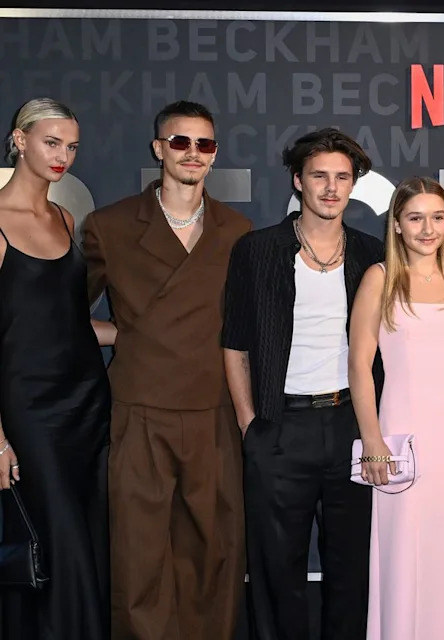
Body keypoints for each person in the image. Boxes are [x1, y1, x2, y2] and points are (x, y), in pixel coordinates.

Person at [83, 100, 251, 639]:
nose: (193, 154)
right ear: (159, 148)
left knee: (214, 554)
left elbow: (248, 330)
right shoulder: (109, 226)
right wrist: (129, 333)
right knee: (138, 557)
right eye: (180, 142)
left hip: (213, 411)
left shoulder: (237, 230)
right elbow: (64, 321)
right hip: (139, 410)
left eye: (205, 144)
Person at [222, 128, 384, 639]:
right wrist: (251, 427)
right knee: (276, 573)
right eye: (320, 176)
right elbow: (235, 345)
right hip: (280, 427)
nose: (332, 188)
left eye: (342, 177)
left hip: (349, 428)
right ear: (298, 181)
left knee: (351, 570)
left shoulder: (372, 254)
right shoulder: (258, 250)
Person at [349, 176, 444, 639]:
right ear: (397, 224)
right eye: (415, 218)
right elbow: (358, 365)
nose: (427, 228)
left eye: (437, 217)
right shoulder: (380, 277)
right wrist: (372, 441)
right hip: (401, 440)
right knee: (405, 556)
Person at [0, 98, 109, 640]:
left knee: (85, 536)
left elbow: (72, 323)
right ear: (20, 141)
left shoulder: (66, 219)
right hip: (29, 410)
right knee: (54, 540)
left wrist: (155, 336)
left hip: (87, 402)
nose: (63, 155)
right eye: (51, 142)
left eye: (71, 146)